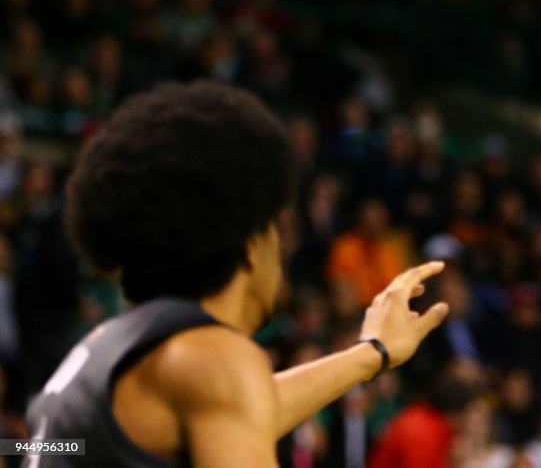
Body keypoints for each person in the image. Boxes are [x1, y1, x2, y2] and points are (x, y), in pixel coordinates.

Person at [24, 80, 450, 467]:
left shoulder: (110, 345)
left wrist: (371, 353)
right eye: (276, 232)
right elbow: (232, 395)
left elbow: (248, 409)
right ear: (251, 244)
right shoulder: (211, 360)